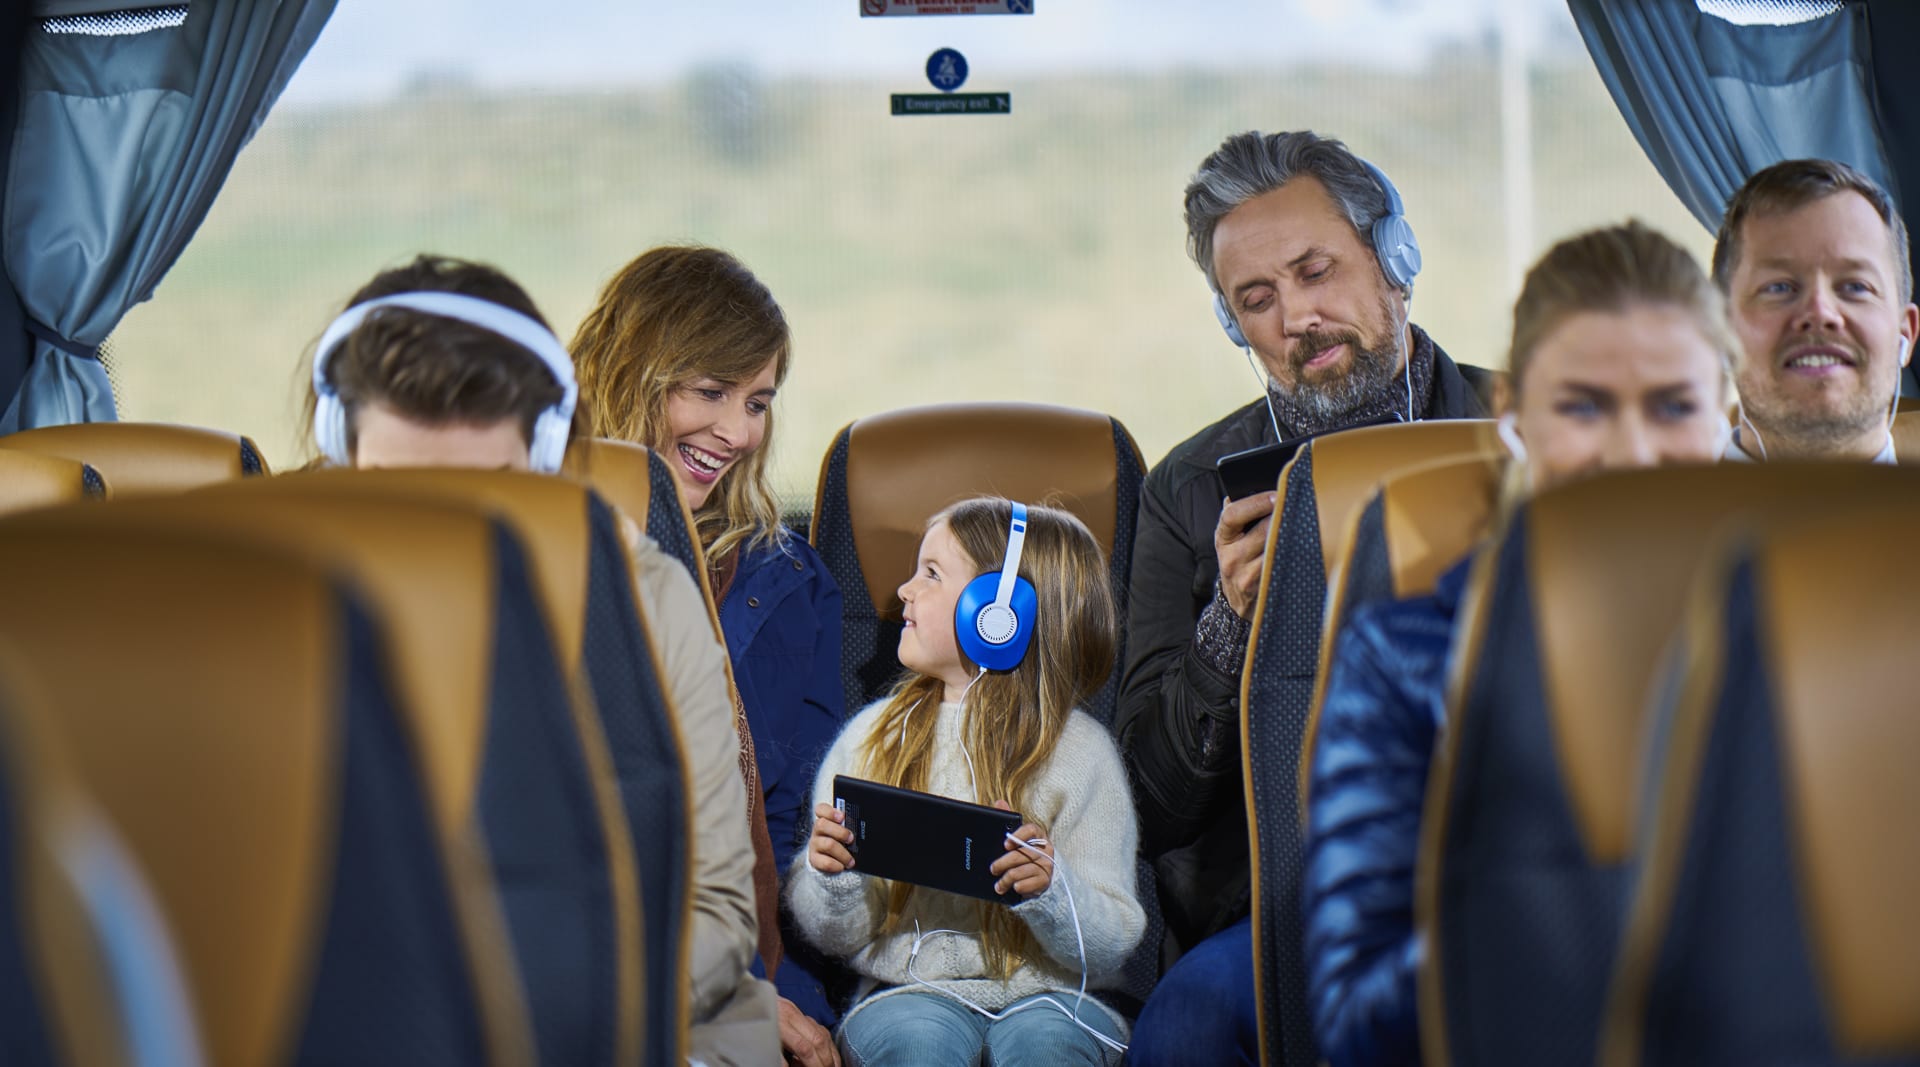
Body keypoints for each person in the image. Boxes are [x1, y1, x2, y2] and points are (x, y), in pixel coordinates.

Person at [306, 253, 778, 1066]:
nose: (436, 521)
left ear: (545, 454)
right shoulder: (266, 607)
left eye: (484, 483)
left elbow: (715, 910)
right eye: (393, 484)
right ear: (336, 449)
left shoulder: (645, 597)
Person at [1301, 220, 1739, 1067]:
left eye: (1673, 406)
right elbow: (1359, 1026)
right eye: (1582, 407)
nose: (1633, 453)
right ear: (1514, 418)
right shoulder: (1407, 657)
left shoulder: (1806, 645)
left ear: (1726, 408)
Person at [1117, 129, 1494, 1066]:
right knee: (1187, 1028)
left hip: (1504, 879)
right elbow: (1146, 803)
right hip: (1279, 905)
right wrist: (1227, 628)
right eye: (1258, 299)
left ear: (1393, 260)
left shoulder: (1530, 436)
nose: (1297, 317)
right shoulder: (1190, 490)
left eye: (1315, 271)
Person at [571, 244, 846, 1065]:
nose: (737, 431)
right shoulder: (526, 550)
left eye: (758, 402)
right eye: (711, 391)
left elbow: (795, 829)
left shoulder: (788, 580)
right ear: (633, 375)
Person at [789, 498, 1144, 1067]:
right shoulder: (870, 739)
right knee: (918, 1046)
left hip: (1053, 998)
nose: (903, 591)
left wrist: (1051, 893)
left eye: (930, 574)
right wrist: (832, 879)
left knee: (1046, 1048)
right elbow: (836, 938)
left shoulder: (1081, 754)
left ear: (1002, 613)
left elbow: (1111, 941)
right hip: (908, 994)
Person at [1713, 158, 1918, 463]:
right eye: (1779, 287)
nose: (1821, 312)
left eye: (1856, 287)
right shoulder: (1639, 508)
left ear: (1905, 333)